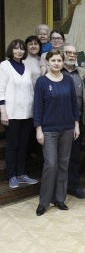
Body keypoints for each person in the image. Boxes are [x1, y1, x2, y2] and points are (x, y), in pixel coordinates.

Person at [34, 49, 80, 216]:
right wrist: (38, 129)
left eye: (59, 61)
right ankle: (44, 202)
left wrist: (76, 124)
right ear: (47, 62)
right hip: (49, 131)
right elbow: (37, 107)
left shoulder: (68, 80)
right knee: (51, 164)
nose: (56, 63)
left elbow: (74, 105)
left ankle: (60, 198)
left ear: (63, 62)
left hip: (67, 128)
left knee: (63, 164)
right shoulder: (42, 82)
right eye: (53, 60)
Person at [0, 39, 37, 188]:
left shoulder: (26, 67)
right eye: (16, 49)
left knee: (23, 145)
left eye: (22, 49)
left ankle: (21, 173)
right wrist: (3, 113)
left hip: (27, 113)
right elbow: (0, 90)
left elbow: (30, 91)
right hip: (12, 113)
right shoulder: (4, 66)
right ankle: (11, 175)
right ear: (11, 50)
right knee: (13, 145)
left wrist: (34, 112)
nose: (19, 51)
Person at [60, 43, 85, 199]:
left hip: (77, 120)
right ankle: (60, 187)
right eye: (68, 52)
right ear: (62, 54)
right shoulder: (55, 71)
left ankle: (74, 185)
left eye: (74, 53)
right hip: (59, 121)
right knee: (60, 157)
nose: (71, 55)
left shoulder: (82, 72)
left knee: (75, 156)